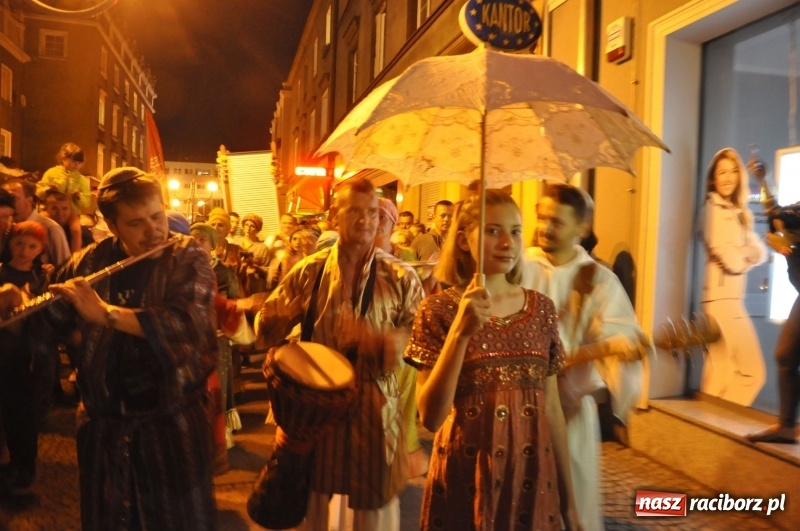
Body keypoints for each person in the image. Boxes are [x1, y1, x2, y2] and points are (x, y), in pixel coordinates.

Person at [41, 167, 218, 529]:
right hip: (104, 425)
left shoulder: (188, 257)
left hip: (170, 426)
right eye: (136, 223)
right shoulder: (88, 260)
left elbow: (185, 324)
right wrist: (27, 303)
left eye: (157, 216)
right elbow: (51, 320)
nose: (154, 231)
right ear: (112, 225)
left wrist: (104, 314)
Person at [404, 189, 580, 530]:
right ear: (464, 241)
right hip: (466, 478)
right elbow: (431, 416)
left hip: (532, 476)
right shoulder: (437, 310)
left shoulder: (541, 309)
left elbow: (553, 411)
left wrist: (570, 504)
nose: (507, 243)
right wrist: (460, 333)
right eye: (492, 230)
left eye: (515, 231)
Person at [256, 177, 423, 530]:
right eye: (355, 211)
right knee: (319, 500)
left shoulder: (400, 276)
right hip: (319, 410)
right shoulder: (309, 271)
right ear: (335, 215)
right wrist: (269, 317)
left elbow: (419, 340)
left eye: (373, 213)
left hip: (376, 409)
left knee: (373, 509)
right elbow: (265, 328)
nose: (366, 220)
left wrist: (381, 340)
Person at [522, 183, 646, 531]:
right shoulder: (520, 264)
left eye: (557, 221)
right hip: (515, 408)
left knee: (569, 502)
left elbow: (621, 335)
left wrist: (622, 348)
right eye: (542, 218)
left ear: (582, 228)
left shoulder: (599, 279)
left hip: (567, 409)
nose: (545, 227)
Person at [700, 148, 767, 406]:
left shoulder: (738, 212)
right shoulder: (712, 210)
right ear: (713, 178)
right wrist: (744, 254)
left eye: (732, 171)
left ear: (740, 176)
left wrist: (744, 253)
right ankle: (720, 424)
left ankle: (709, 429)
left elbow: (759, 253)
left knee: (721, 372)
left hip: (728, 300)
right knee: (752, 372)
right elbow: (733, 261)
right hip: (721, 302)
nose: (728, 177)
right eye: (721, 172)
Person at [746, 157, 800, 444]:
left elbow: (782, 217)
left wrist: (787, 243)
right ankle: (787, 426)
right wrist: (763, 180)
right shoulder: (791, 231)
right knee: (786, 355)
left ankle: (788, 425)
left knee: (787, 355)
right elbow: (776, 212)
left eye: (784, 233)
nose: (778, 237)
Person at [0, 221, 55, 495]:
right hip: (3, 352)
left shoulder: (43, 278)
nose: (24, 250)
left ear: (41, 249)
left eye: (31, 246)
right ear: (9, 243)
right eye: (19, 243)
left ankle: (24, 468)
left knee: (23, 415)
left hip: (27, 355)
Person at [2, 179, 70, 267]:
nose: (9, 202)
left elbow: (65, 268)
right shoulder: (7, 226)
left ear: (29, 201)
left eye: (14, 198)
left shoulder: (50, 228)